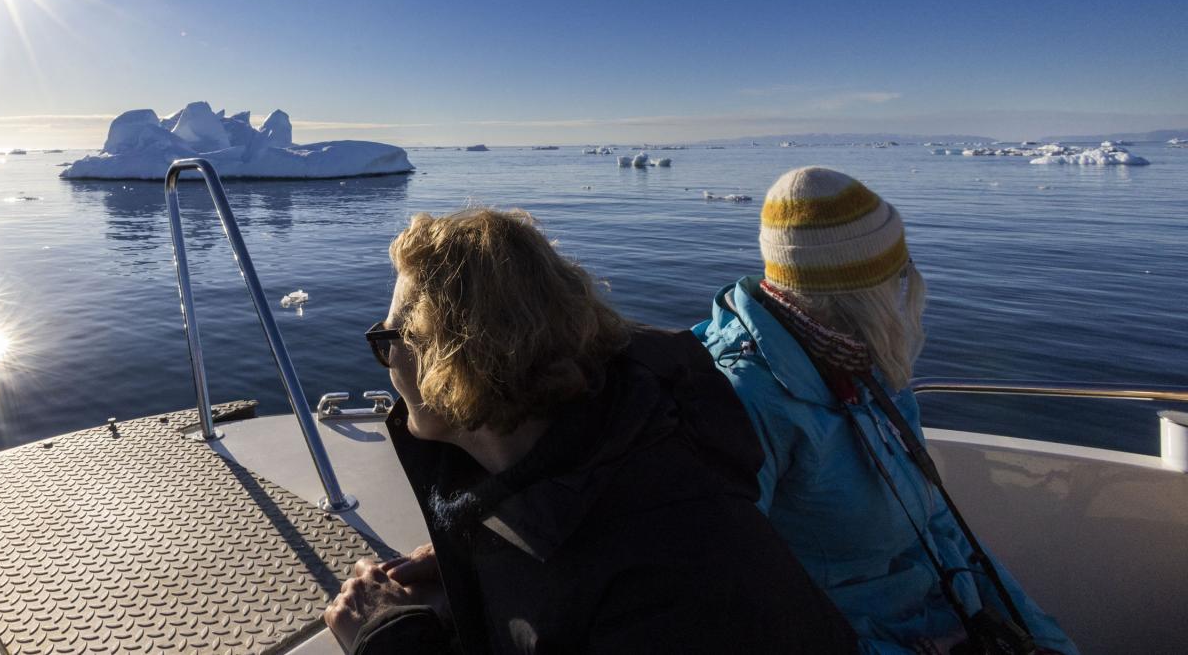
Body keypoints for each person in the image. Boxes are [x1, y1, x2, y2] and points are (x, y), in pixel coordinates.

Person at [324, 207, 858, 654]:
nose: (384, 353)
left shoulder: (665, 574)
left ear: (455, 362)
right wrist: (481, 556)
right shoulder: (622, 453)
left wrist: (387, 637)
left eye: (389, 335)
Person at [692, 166, 1078, 654]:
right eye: (896, 275)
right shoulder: (746, 399)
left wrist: (1042, 636)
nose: (904, 287)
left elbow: (940, 526)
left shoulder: (859, 363)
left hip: (946, 621)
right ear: (859, 292)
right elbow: (743, 610)